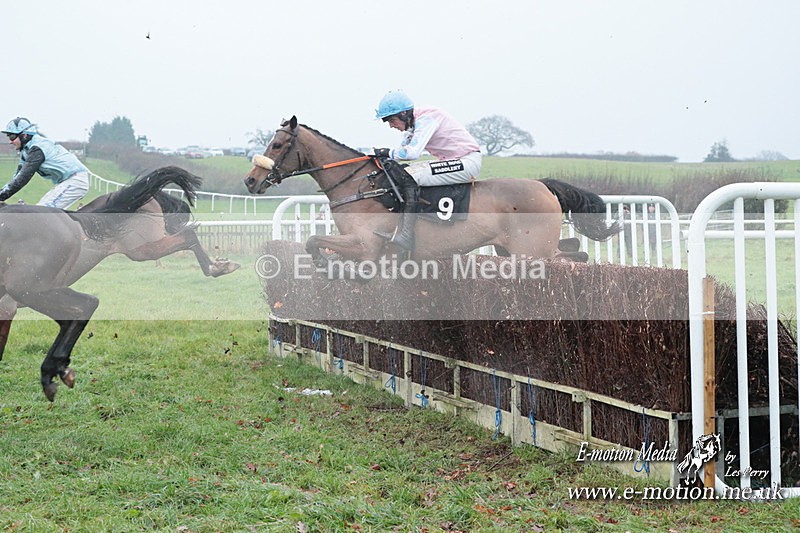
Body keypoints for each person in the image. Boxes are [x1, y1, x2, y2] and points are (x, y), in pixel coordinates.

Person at [374, 90, 482, 251]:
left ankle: (405, 235)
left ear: (404, 113)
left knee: (409, 176)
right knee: (403, 171)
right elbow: (403, 150)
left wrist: (388, 153)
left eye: (391, 120)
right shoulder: (413, 124)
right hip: (454, 160)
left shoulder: (426, 118)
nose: (391, 125)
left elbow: (411, 153)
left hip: (467, 162)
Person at [1, 117, 90, 209]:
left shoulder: (37, 149)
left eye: (12, 136)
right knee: (40, 209)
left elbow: (22, 178)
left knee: (42, 213)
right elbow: (16, 177)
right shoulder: (27, 150)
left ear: (24, 135)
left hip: (75, 181)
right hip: (67, 181)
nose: (10, 141)